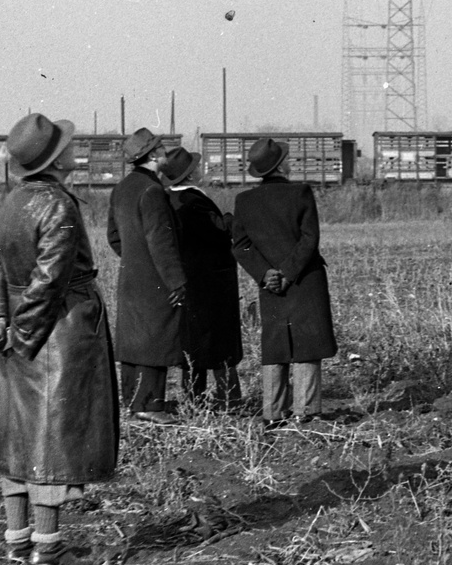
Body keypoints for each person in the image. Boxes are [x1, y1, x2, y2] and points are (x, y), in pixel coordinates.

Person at [0, 112, 116, 565]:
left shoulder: (12, 201)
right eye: (68, 146)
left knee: (18, 437)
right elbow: (50, 279)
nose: (75, 150)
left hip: (20, 329)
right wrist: (24, 336)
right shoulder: (58, 205)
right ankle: (49, 550)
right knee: (51, 441)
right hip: (57, 332)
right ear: (57, 161)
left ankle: (17, 541)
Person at [230, 137, 338, 424]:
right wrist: (289, 273)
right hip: (305, 280)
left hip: (270, 285)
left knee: (275, 344)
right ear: (282, 165)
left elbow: (240, 245)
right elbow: (309, 238)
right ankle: (306, 410)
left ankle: (273, 411)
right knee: (308, 343)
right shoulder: (301, 193)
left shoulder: (244, 201)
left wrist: (267, 274)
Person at [106, 127, 186, 423]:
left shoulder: (122, 188)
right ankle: (151, 406)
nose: (165, 152)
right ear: (153, 156)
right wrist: (177, 281)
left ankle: (133, 401)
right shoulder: (152, 190)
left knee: (134, 339)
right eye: (162, 148)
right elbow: (161, 242)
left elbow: (113, 236)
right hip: (156, 279)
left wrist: (133, 258)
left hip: (131, 277)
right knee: (156, 339)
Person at [160, 145, 244, 410]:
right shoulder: (194, 200)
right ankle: (228, 398)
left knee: (192, 342)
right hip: (213, 281)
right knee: (221, 341)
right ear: (189, 174)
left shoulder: (167, 199)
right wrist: (232, 219)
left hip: (187, 279)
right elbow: (218, 231)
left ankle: (194, 399)